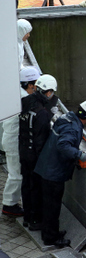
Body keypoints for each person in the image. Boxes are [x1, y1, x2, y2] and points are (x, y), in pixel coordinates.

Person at [34, 100, 86, 248]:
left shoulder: (67, 118)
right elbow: (63, 145)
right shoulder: (73, 128)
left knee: (49, 205)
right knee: (53, 206)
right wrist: (79, 155)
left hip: (47, 166)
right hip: (54, 173)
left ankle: (51, 232)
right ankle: (51, 238)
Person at [18, 74, 58, 231]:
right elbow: (40, 139)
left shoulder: (25, 101)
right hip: (34, 155)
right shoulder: (42, 113)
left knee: (26, 184)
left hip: (23, 150)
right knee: (35, 187)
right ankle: (35, 220)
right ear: (48, 93)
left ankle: (27, 217)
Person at [1, 66, 40, 217]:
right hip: (13, 141)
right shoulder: (24, 99)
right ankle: (9, 205)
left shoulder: (16, 92)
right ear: (30, 84)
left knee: (15, 172)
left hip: (10, 138)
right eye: (36, 84)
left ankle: (11, 203)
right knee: (16, 174)